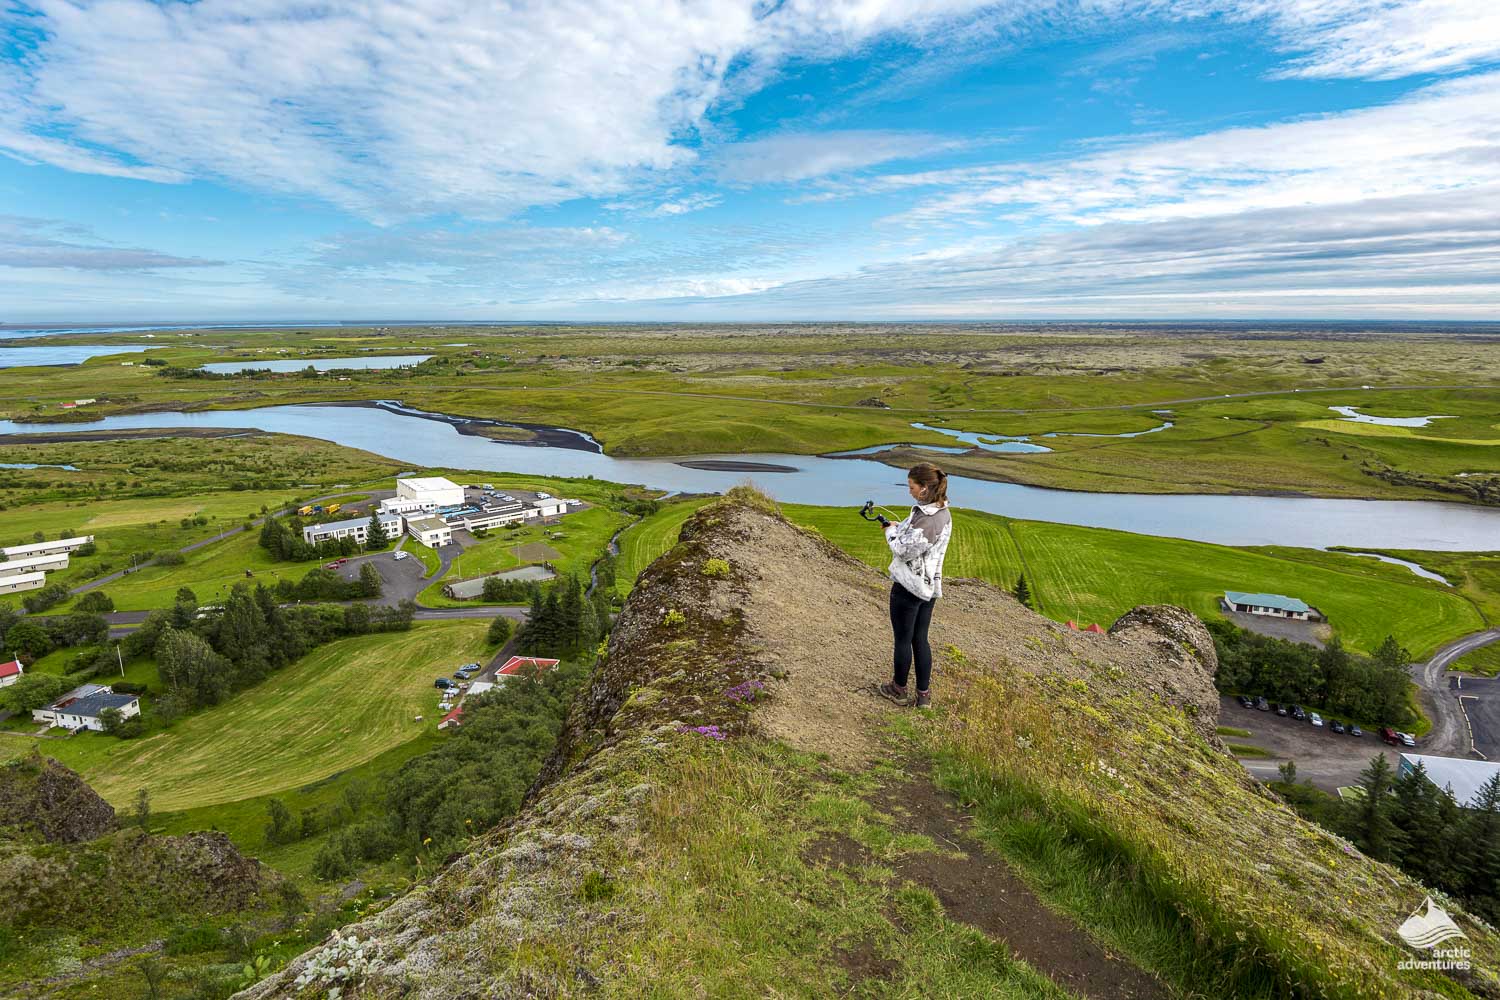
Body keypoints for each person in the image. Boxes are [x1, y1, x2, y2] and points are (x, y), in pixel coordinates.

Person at [874, 462, 952, 708]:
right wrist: (898, 527)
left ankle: (898, 689)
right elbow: (913, 535)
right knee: (921, 639)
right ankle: (923, 696)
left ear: (924, 488)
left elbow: (903, 550)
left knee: (902, 640)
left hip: (909, 587)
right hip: (929, 588)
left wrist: (889, 533)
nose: (909, 490)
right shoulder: (941, 513)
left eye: (912, 486)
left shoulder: (926, 520)